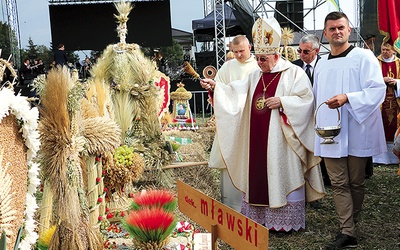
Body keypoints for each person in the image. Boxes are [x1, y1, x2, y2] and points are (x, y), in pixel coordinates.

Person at [201, 17, 325, 235]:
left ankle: (285, 223)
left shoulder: (293, 73)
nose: (259, 63)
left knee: (280, 173)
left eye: (263, 59)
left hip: (282, 141)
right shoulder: (255, 75)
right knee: (258, 175)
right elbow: (235, 93)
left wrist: (283, 102)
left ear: (276, 56)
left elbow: (307, 100)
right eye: (257, 59)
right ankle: (261, 220)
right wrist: (216, 87)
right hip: (256, 139)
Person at [313, 12, 386, 249]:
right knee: (338, 182)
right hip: (330, 132)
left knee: (355, 182)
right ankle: (348, 232)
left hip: (357, 127)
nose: (337, 32)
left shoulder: (363, 57)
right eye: (332, 28)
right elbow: (314, 98)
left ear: (349, 29)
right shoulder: (321, 63)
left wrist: (348, 98)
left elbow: (377, 90)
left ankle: (349, 225)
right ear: (325, 33)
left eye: (341, 27)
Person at [207, 34, 258, 212]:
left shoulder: (258, 66)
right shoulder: (227, 67)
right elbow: (219, 88)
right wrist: (213, 88)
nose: (238, 55)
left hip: (251, 121)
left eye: (241, 51)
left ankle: (252, 204)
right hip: (231, 122)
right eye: (234, 52)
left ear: (249, 48)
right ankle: (231, 205)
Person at [293, 35, 330, 191]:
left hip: (322, 111)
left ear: (317, 50)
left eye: (306, 52)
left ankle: (326, 177)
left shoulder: (326, 65)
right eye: (299, 51)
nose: (302, 55)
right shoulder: (293, 67)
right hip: (301, 116)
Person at [373, 42, 400, 165]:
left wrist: (397, 82)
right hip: (380, 103)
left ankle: (395, 156)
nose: (384, 52)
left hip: (396, 101)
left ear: (393, 51)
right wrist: (381, 80)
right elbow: (370, 79)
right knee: (380, 127)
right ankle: (380, 158)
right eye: (383, 49)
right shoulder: (375, 63)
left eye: (387, 50)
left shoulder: (399, 63)